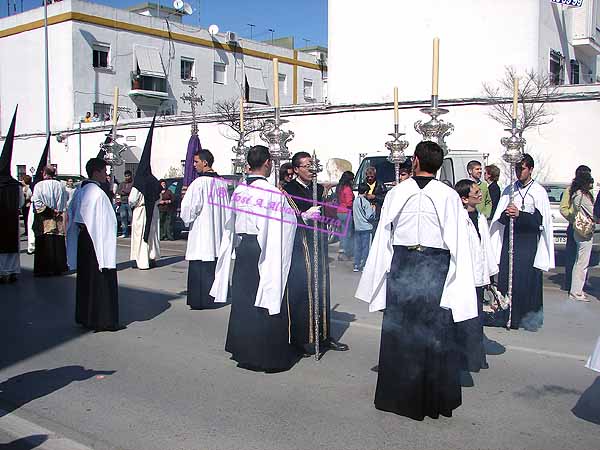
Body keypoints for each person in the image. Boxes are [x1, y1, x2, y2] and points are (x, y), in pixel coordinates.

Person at [356, 141, 477, 420]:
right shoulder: (427, 194)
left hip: (419, 265)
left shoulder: (421, 193)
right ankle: (415, 396)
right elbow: (460, 240)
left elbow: (382, 235)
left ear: (415, 160)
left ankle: (403, 397)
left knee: (416, 331)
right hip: (423, 266)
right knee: (420, 331)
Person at [211, 145, 299, 372]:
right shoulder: (272, 193)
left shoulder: (240, 190)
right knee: (266, 298)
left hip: (245, 249)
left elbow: (230, 222)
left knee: (245, 300)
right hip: (265, 248)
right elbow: (284, 225)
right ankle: (266, 357)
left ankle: (245, 352)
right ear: (268, 162)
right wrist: (303, 219)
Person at [283, 151, 349, 355]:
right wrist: (302, 216)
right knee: (303, 290)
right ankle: (300, 339)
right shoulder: (288, 189)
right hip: (300, 243)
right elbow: (286, 216)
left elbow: (326, 211)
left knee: (322, 288)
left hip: (318, 241)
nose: (311, 169)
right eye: (306, 166)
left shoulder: (317, 188)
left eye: (313, 165)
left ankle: (324, 336)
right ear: (295, 169)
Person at [490, 154, 554, 331]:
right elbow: (499, 218)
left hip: (527, 243)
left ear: (531, 169)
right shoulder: (509, 190)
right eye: (517, 169)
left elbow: (539, 222)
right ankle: (508, 315)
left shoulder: (538, 192)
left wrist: (521, 215)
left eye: (522, 168)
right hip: (510, 241)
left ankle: (527, 317)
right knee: (507, 277)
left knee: (525, 280)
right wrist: (507, 214)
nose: (519, 172)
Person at [67, 158, 120, 332]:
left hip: (85, 239)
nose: (107, 174)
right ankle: (102, 319)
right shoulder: (96, 193)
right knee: (100, 279)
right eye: (105, 171)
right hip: (96, 241)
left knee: (86, 280)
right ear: (96, 171)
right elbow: (105, 222)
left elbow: (72, 213)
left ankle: (86, 316)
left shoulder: (80, 190)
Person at [455, 179, 498, 372]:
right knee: (464, 319)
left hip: (479, 277)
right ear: (464, 199)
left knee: (477, 318)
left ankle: (476, 358)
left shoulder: (480, 217)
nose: (480, 194)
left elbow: (485, 247)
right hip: (464, 277)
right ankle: (462, 358)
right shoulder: (457, 219)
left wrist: (490, 273)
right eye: (476, 193)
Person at [181, 149, 230, 310]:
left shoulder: (199, 183)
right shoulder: (222, 183)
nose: (194, 165)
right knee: (214, 265)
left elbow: (188, 209)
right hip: (218, 233)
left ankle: (200, 300)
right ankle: (214, 297)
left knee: (201, 265)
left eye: (196, 162)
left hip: (203, 233)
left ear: (205, 162)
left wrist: (186, 219)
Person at [129, 117, 161, 270]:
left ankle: (142, 262)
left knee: (140, 235)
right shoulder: (154, 181)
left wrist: (134, 205)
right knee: (152, 234)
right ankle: (152, 257)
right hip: (153, 211)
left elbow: (132, 199)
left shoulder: (139, 182)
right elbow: (159, 196)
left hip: (141, 211)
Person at [31, 165, 68, 276]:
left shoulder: (39, 185)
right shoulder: (61, 185)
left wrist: (48, 210)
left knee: (44, 242)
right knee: (57, 242)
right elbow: (63, 200)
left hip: (44, 218)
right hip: (57, 216)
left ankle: (44, 269)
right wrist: (57, 210)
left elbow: (36, 201)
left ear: (44, 174)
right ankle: (58, 267)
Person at [0, 110, 23, 283]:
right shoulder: (16, 185)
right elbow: (21, 202)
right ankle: (13, 270)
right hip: (12, 217)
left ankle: (2, 272)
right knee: (12, 246)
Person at [560, 165, 592, 292]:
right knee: (573, 256)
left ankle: (581, 284)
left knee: (583, 258)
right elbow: (563, 209)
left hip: (584, 226)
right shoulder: (570, 190)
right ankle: (570, 284)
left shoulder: (586, 191)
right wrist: (574, 218)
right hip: (575, 225)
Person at [568, 171, 596, 302]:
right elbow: (593, 212)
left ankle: (576, 290)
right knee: (582, 263)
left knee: (579, 261)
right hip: (585, 231)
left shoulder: (575, 194)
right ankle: (576, 291)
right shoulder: (583, 197)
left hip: (578, 230)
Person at [352, 183, 375, 272]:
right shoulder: (365, 202)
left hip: (357, 227)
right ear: (366, 192)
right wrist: (373, 209)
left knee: (357, 247)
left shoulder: (355, 201)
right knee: (366, 247)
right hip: (366, 228)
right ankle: (364, 265)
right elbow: (369, 216)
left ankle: (356, 265)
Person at [358, 166, 386, 233]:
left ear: (375, 175)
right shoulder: (362, 184)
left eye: (372, 176)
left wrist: (375, 197)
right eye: (368, 177)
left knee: (375, 230)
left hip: (376, 210)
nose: (370, 178)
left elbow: (385, 198)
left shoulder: (380, 184)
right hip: (365, 210)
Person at [335, 171, 354, 261]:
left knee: (342, 233)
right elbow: (349, 202)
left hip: (339, 211)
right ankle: (345, 252)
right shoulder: (347, 189)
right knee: (347, 233)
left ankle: (341, 250)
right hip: (346, 211)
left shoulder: (339, 187)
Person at [117, 170, 133, 238]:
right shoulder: (121, 184)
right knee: (123, 218)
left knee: (131, 217)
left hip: (130, 203)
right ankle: (124, 233)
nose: (127, 177)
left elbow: (130, 191)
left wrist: (124, 191)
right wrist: (125, 192)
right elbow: (118, 191)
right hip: (122, 203)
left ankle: (132, 232)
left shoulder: (133, 183)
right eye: (126, 176)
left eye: (128, 176)